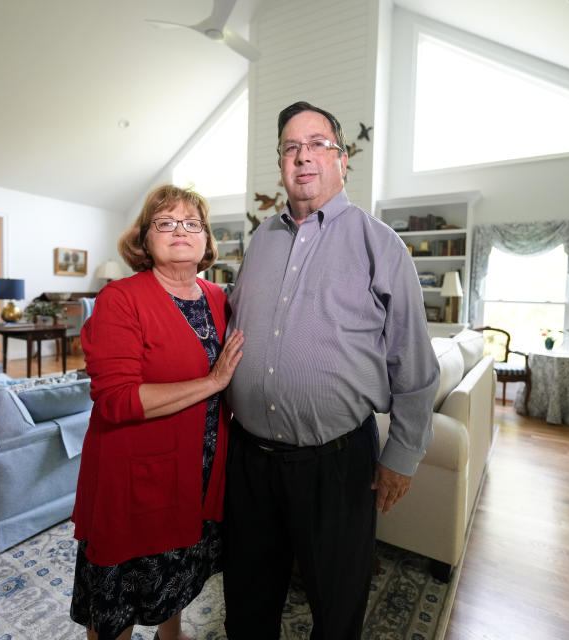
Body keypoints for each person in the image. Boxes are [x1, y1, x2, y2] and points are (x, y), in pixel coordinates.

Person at [223, 101, 440, 638]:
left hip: (337, 467)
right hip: (249, 462)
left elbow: (413, 361)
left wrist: (402, 456)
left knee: (335, 611)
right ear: (280, 163)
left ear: (342, 160)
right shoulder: (260, 244)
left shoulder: (381, 245)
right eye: (291, 147)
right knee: (247, 606)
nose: (304, 157)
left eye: (318, 144)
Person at [70, 184, 244, 640]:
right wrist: (212, 382)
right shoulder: (121, 299)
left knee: (179, 572)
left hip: (200, 470)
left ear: (207, 240)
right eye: (165, 223)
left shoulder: (219, 299)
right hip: (133, 476)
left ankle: (173, 635)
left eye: (192, 223)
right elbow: (116, 399)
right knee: (119, 599)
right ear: (144, 240)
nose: (180, 231)